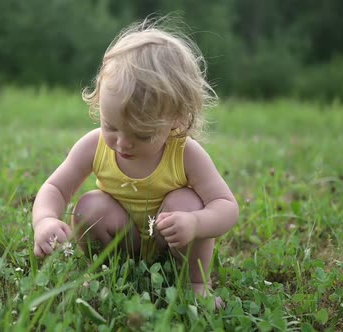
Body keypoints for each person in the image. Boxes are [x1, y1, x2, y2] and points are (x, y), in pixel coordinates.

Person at [31, 17, 239, 303]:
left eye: (142, 135)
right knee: (89, 206)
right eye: (111, 127)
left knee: (187, 202)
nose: (123, 143)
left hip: (172, 239)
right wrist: (44, 220)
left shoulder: (185, 153)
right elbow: (55, 188)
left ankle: (194, 283)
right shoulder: (94, 145)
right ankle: (109, 272)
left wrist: (195, 223)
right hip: (123, 240)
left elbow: (226, 207)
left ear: (176, 120)